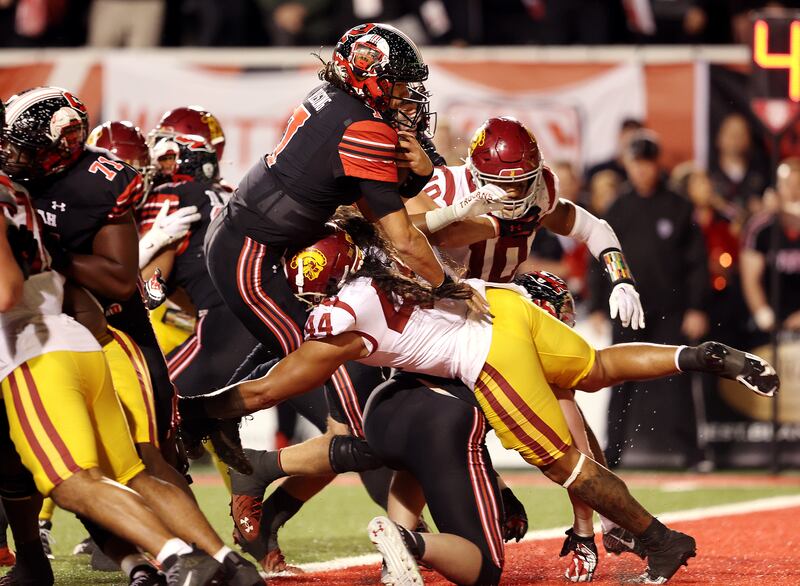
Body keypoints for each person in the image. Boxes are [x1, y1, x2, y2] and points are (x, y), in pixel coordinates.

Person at [183, 213, 778, 584]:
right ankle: (697, 355)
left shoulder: (344, 316)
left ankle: (659, 539)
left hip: (486, 354)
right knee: (594, 368)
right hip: (505, 303)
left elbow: (272, 387)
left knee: (563, 466)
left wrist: (206, 411)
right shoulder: (384, 249)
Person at [0, 152, 260, 586]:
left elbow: (8, 290)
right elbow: (84, 307)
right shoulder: (22, 193)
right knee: (132, 472)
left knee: (73, 482)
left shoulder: (50, 191)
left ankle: (177, 556)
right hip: (80, 338)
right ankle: (222, 563)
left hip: (34, 353)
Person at [589, 130, 711, 469]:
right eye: (637, 164)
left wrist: (696, 306)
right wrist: (600, 303)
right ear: (628, 165)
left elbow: (696, 263)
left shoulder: (679, 207)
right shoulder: (618, 208)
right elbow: (600, 256)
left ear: (657, 166)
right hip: (628, 308)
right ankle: (611, 453)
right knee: (617, 377)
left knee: (679, 377)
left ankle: (691, 453)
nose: (643, 171)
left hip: (671, 309)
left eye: (648, 164)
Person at [741, 158, 800, 338]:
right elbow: (751, 279)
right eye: (788, 185)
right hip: (773, 320)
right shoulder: (761, 228)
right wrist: (764, 316)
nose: (794, 192)